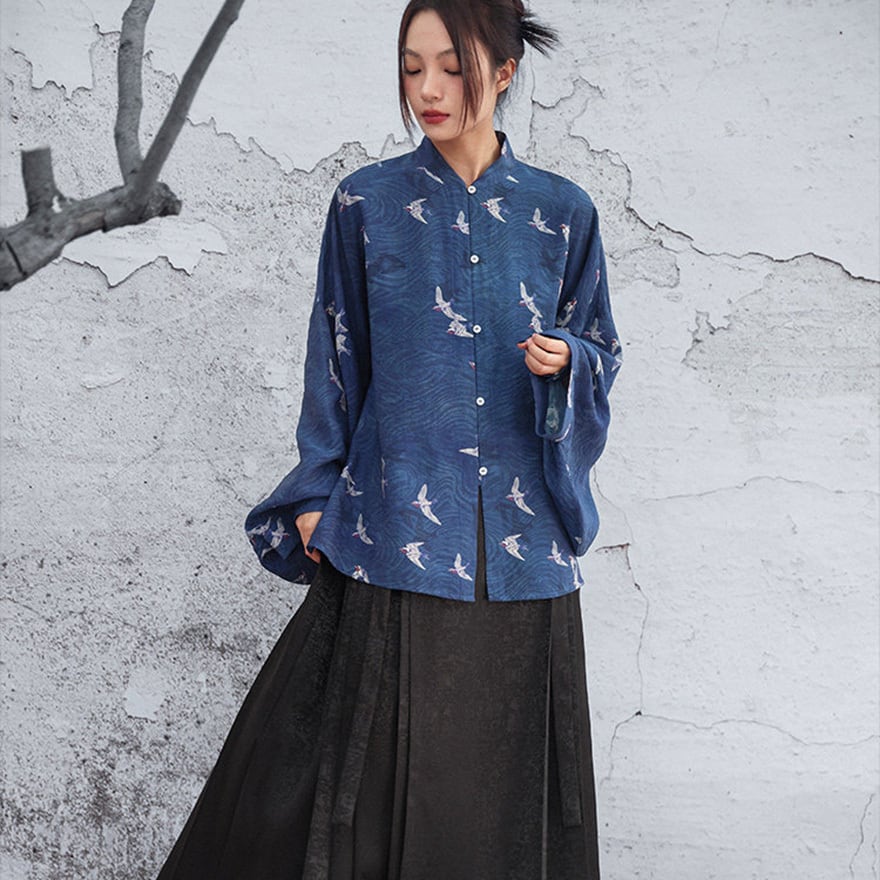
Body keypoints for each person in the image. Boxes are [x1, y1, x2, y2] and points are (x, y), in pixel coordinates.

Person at [157, 0, 620, 877]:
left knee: (501, 795)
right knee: (336, 789)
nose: (429, 89)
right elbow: (336, 350)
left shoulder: (564, 212)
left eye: (453, 67)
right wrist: (314, 488)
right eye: (412, 68)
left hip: (520, 549)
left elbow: (603, 347)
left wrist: (572, 362)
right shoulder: (365, 203)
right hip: (393, 526)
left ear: (505, 73)